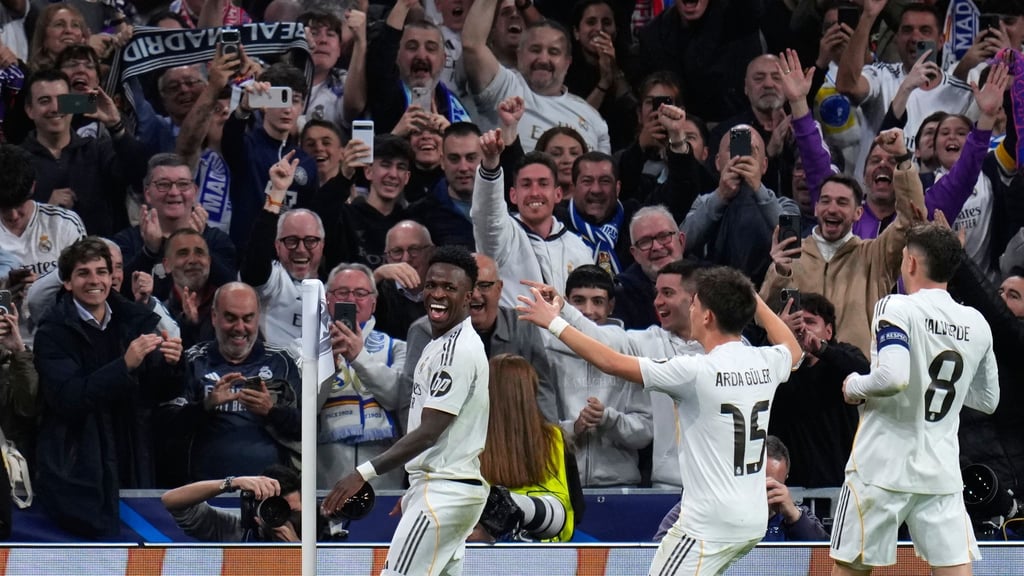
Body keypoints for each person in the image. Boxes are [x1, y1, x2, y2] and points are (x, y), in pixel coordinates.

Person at [518, 266, 801, 574]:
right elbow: (793, 349)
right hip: (752, 519)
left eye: (694, 304)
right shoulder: (764, 360)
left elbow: (610, 362)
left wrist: (554, 323)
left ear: (707, 316)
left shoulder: (694, 371)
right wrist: (751, 297)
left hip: (708, 525)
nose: (690, 310)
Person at [830, 223, 1000, 575]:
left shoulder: (895, 307)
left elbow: (893, 377)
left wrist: (854, 386)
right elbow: (988, 400)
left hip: (880, 468)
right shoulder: (976, 323)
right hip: (940, 471)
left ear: (909, 262)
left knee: (850, 570)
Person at [322, 246, 489, 576]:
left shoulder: (455, 350)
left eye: (449, 288)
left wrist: (363, 473)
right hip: (441, 490)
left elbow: (429, 432)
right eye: (431, 285)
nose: (437, 295)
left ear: (469, 297)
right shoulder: (437, 342)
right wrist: (416, 490)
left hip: (444, 492)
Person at [34, 237, 184, 537]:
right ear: (67, 282)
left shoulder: (134, 320)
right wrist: (124, 365)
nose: (95, 281)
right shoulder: (52, 332)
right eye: (83, 273)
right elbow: (68, 399)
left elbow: (157, 393)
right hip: (81, 467)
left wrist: (173, 365)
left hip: (132, 452)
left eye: (101, 272)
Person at [162, 282, 301, 483]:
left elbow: (307, 427)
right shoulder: (193, 360)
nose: (239, 328)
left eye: (248, 318)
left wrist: (271, 411)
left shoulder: (281, 361)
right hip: (204, 492)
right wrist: (206, 406)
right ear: (214, 317)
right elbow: (168, 426)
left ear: (257, 317)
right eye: (230, 318)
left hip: (271, 493)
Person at [401, 252, 557, 425]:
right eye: (468, 286)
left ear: (499, 289)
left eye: (484, 285)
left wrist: (552, 441)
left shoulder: (522, 325)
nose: (475, 294)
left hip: (512, 437)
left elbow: (542, 391)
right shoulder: (425, 331)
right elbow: (410, 399)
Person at [548, 264, 651, 487]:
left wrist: (608, 420)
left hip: (620, 484)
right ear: (565, 302)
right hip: (561, 485)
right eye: (578, 300)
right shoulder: (548, 352)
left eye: (597, 301)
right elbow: (536, 427)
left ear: (611, 305)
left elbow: (645, 431)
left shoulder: (629, 351)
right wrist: (572, 429)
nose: (587, 311)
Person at [472, 123, 595, 307]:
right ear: (513, 195)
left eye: (543, 183)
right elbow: (488, 215)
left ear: (558, 194)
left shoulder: (578, 248)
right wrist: (490, 165)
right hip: (515, 335)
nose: (535, 192)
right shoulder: (503, 236)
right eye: (526, 184)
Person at [462, 0, 611, 152]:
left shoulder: (593, 118)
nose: (543, 59)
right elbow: (472, 45)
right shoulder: (505, 87)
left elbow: (601, 172)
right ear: (519, 55)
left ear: (568, 62)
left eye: (553, 52)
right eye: (535, 49)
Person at [319, 262, 406, 490]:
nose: (351, 299)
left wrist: (358, 356)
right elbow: (304, 410)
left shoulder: (397, 348)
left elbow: (396, 398)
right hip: (328, 464)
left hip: (382, 464)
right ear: (328, 299)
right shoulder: (305, 348)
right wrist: (327, 365)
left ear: (374, 302)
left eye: (360, 293)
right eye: (342, 293)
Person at [476, 353, 578, 542]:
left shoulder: (467, 440)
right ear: (530, 393)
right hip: (546, 550)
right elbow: (576, 511)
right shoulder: (556, 438)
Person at [770, 292, 867, 488]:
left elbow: (867, 374)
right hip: (786, 489)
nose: (802, 328)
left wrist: (821, 350)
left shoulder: (843, 356)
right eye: (796, 322)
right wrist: (778, 336)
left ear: (829, 332)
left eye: (810, 321)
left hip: (838, 486)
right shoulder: (773, 363)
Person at [654, 435, 830, 542]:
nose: (762, 492)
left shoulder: (797, 515)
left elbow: (824, 560)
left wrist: (794, 517)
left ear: (785, 480)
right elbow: (658, 548)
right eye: (756, 482)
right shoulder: (704, 503)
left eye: (771, 485)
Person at [113, 153, 237, 302]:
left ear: (194, 192)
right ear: (148, 194)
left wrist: (197, 244)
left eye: (183, 184)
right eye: (163, 185)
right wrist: (148, 253)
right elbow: (117, 293)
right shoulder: (125, 242)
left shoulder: (216, 240)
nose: (174, 192)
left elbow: (230, 289)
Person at [240, 152, 325, 351]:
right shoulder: (274, 280)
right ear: (277, 246)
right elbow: (255, 259)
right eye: (291, 241)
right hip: (275, 376)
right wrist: (277, 193)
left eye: (310, 241)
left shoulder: (334, 287)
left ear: (322, 245)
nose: (301, 249)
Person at [161, 464, 301, 542]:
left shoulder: (315, 533)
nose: (284, 520)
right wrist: (232, 483)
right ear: (256, 508)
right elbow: (170, 500)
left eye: (293, 512)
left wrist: (297, 549)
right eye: (276, 511)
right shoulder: (234, 529)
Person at [613, 205, 686, 330]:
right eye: (645, 241)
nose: (656, 247)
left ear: (681, 241)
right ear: (634, 254)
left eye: (664, 236)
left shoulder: (709, 284)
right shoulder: (620, 298)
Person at [372, 220, 435, 341]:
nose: (406, 259)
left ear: (431, 252)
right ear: (387, 258)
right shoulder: (379, 291)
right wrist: (376, 276)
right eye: (397, 251)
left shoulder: (445, 290)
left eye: (414, 249)